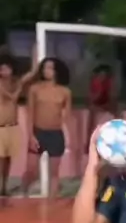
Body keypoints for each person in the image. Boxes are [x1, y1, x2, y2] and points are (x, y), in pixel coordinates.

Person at [22, 58, 72, 199]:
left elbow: (66, 116)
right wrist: (31, 136)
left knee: (54, 173)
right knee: (31, 170)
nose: (46, 71)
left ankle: (52, 202)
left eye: (50, 68)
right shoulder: (35, 89)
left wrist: (69, 137)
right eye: (44, 68)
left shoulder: (65, 92)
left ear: (56, 71)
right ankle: (24, 195)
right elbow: (30, 114)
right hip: (38, 133)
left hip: (56, 135)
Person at [0, 50, 38, 195]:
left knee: (8, 159)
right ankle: (1, 186)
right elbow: (12, 97)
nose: (4, 70)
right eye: (1, 68)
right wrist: (20, 87)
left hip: (12, 126)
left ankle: (4, 187)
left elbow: (32, 73)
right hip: (1, 127)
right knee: (1, 159)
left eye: (6, 68)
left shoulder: (15, 82)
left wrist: (35, 52)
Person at [85, 64, 119, 151]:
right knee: (92, 117)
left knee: (117, 115)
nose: (102, 77)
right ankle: (88, 142)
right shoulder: (95, 82)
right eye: (100, 75)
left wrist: (109, 106)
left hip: (106, 102)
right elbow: (91, 98)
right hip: (96, 103)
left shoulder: (108, 82)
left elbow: (112, 96)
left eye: (104, 75)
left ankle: (118, 139)